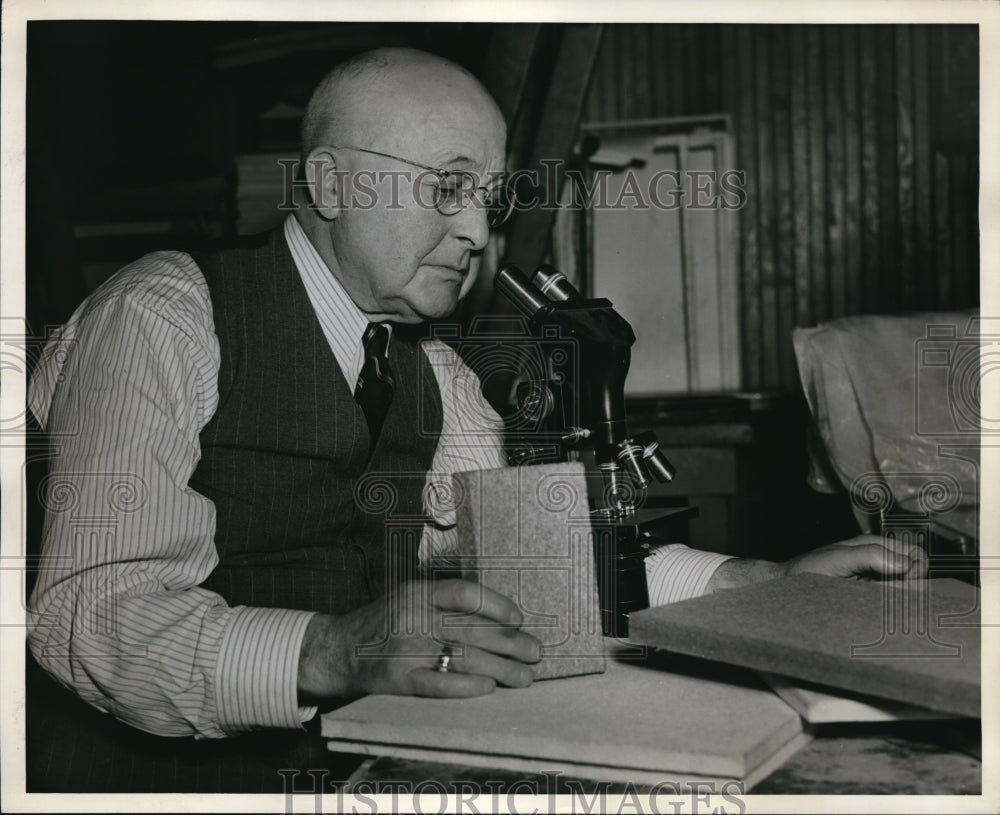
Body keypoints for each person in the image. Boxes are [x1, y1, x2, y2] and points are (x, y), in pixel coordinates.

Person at [25, 47, 927, 794]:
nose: (476, 233)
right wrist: (334, 648)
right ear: (331, 183)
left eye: (490, 201)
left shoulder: (434, 368)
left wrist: (764, 582)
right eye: (447, 188)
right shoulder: (162, 313)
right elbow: (90, 612)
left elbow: (553, 553)